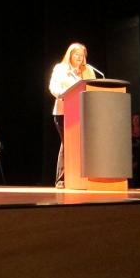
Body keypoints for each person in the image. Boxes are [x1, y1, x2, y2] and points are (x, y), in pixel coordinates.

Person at [49, 42, 95, 188]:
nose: (80, 58)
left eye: (82, 55)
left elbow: (93, 87)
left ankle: (81, 177)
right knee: (67, 143)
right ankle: (61, 179)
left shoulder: (88, 70)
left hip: (84, 112)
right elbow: (53, 87)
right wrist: (62, 95)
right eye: (76, 55)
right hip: (64, 112)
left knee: (81, 145)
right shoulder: (60, 69)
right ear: (70, 55)